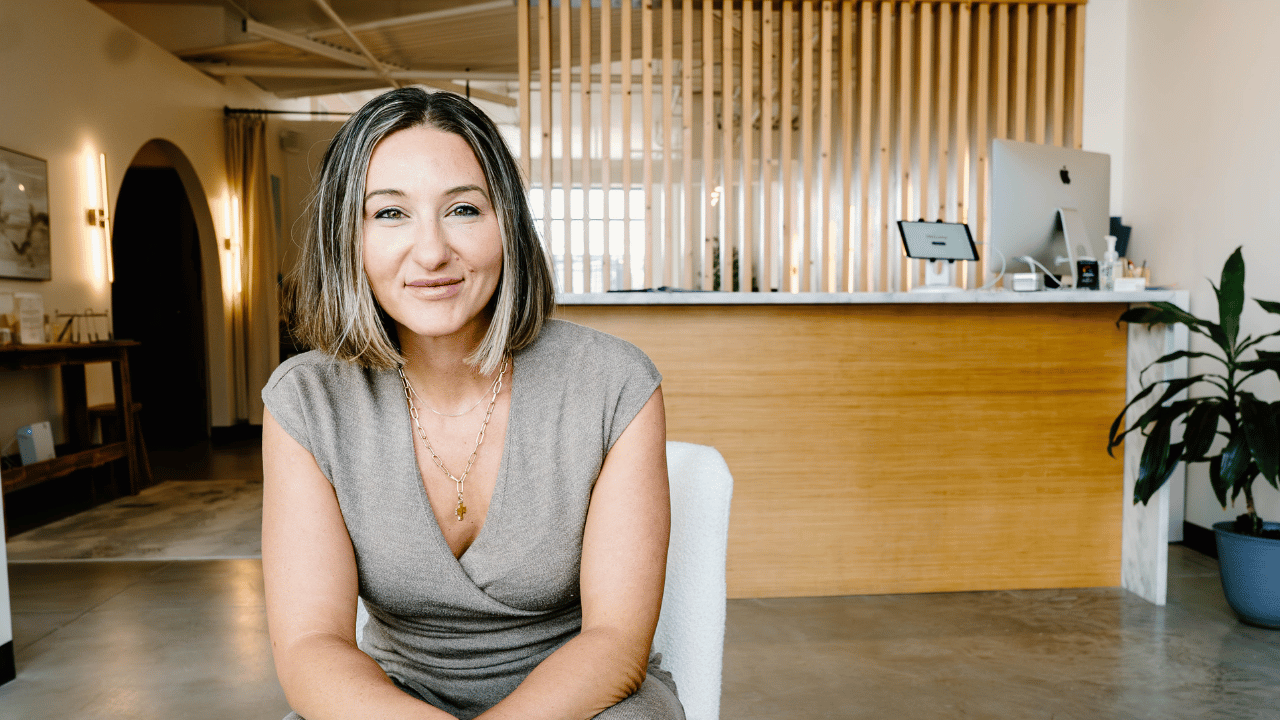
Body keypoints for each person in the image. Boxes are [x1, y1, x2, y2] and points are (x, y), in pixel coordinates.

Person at [261, 88, 683, 720]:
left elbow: (616, 641)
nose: (431, 253)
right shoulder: (306, 401)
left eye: (462, 209)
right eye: (390, 214)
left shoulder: (614, 383)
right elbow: (311, 647)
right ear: (347, 237)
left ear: (506, 223)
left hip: (579, 702)